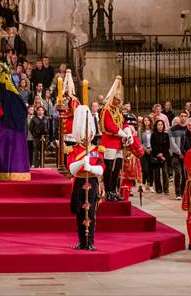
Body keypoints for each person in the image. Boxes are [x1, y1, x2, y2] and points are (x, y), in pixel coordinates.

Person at [67, 105, 104, 251]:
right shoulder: (73, 149)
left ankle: (91, 242)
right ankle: (82, 241)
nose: (86, 137)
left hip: (92, 181)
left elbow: (101, 169)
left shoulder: (97, 150)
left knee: (92, 213)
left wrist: (91, 168)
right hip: (79, 181)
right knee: (80, 213)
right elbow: (71, 169)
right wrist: (82, 162)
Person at [100, 76, 129, 201]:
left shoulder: (118, 110)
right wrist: (122, 133)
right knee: (109, 169)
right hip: (109, 142)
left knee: (117, 169)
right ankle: (108, 191)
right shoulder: (106, 110)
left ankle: (114, 190)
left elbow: (123, 123)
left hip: (118, 143)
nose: (119, 102)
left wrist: (127, 130)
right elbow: (110, 126)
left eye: (119, 99)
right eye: (117, 99)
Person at [169, 115, 186, 200]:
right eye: (182, 116)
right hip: (176, 155)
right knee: (178, 173)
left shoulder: (186, 129)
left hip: (186, 155)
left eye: (185, 116)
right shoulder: (172, 130)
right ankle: (178, 193)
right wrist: (179, 152)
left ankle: (183, 192)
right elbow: (172, 143)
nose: (183, 118)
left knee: (185, 175)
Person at [151, 119, 170, 195]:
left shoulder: (166, 135)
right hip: (156, 156)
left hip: (165, 156)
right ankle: (158, 189)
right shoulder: (153, 135)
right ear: (156, 126)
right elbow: (153, 145)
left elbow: (167, 146)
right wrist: (158, 154)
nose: (160, 126)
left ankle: (166, 189)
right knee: (157, 174)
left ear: (163, 126)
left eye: (161, 124)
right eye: (158, 124)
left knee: (165, 173)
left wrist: (162, 154)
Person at [140, 116, 154, 192]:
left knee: (151, 169)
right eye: (145, 120)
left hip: (152, 151)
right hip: (143, 151)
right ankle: (143, 184)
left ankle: (151, 185)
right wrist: (145, 149)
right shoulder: (141, 130)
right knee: (145, 169)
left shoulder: (153, 131)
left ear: (150, 121)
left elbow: (155, 140)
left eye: (148, 120)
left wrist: (151, 149)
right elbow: (140, 141)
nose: (146, 122)